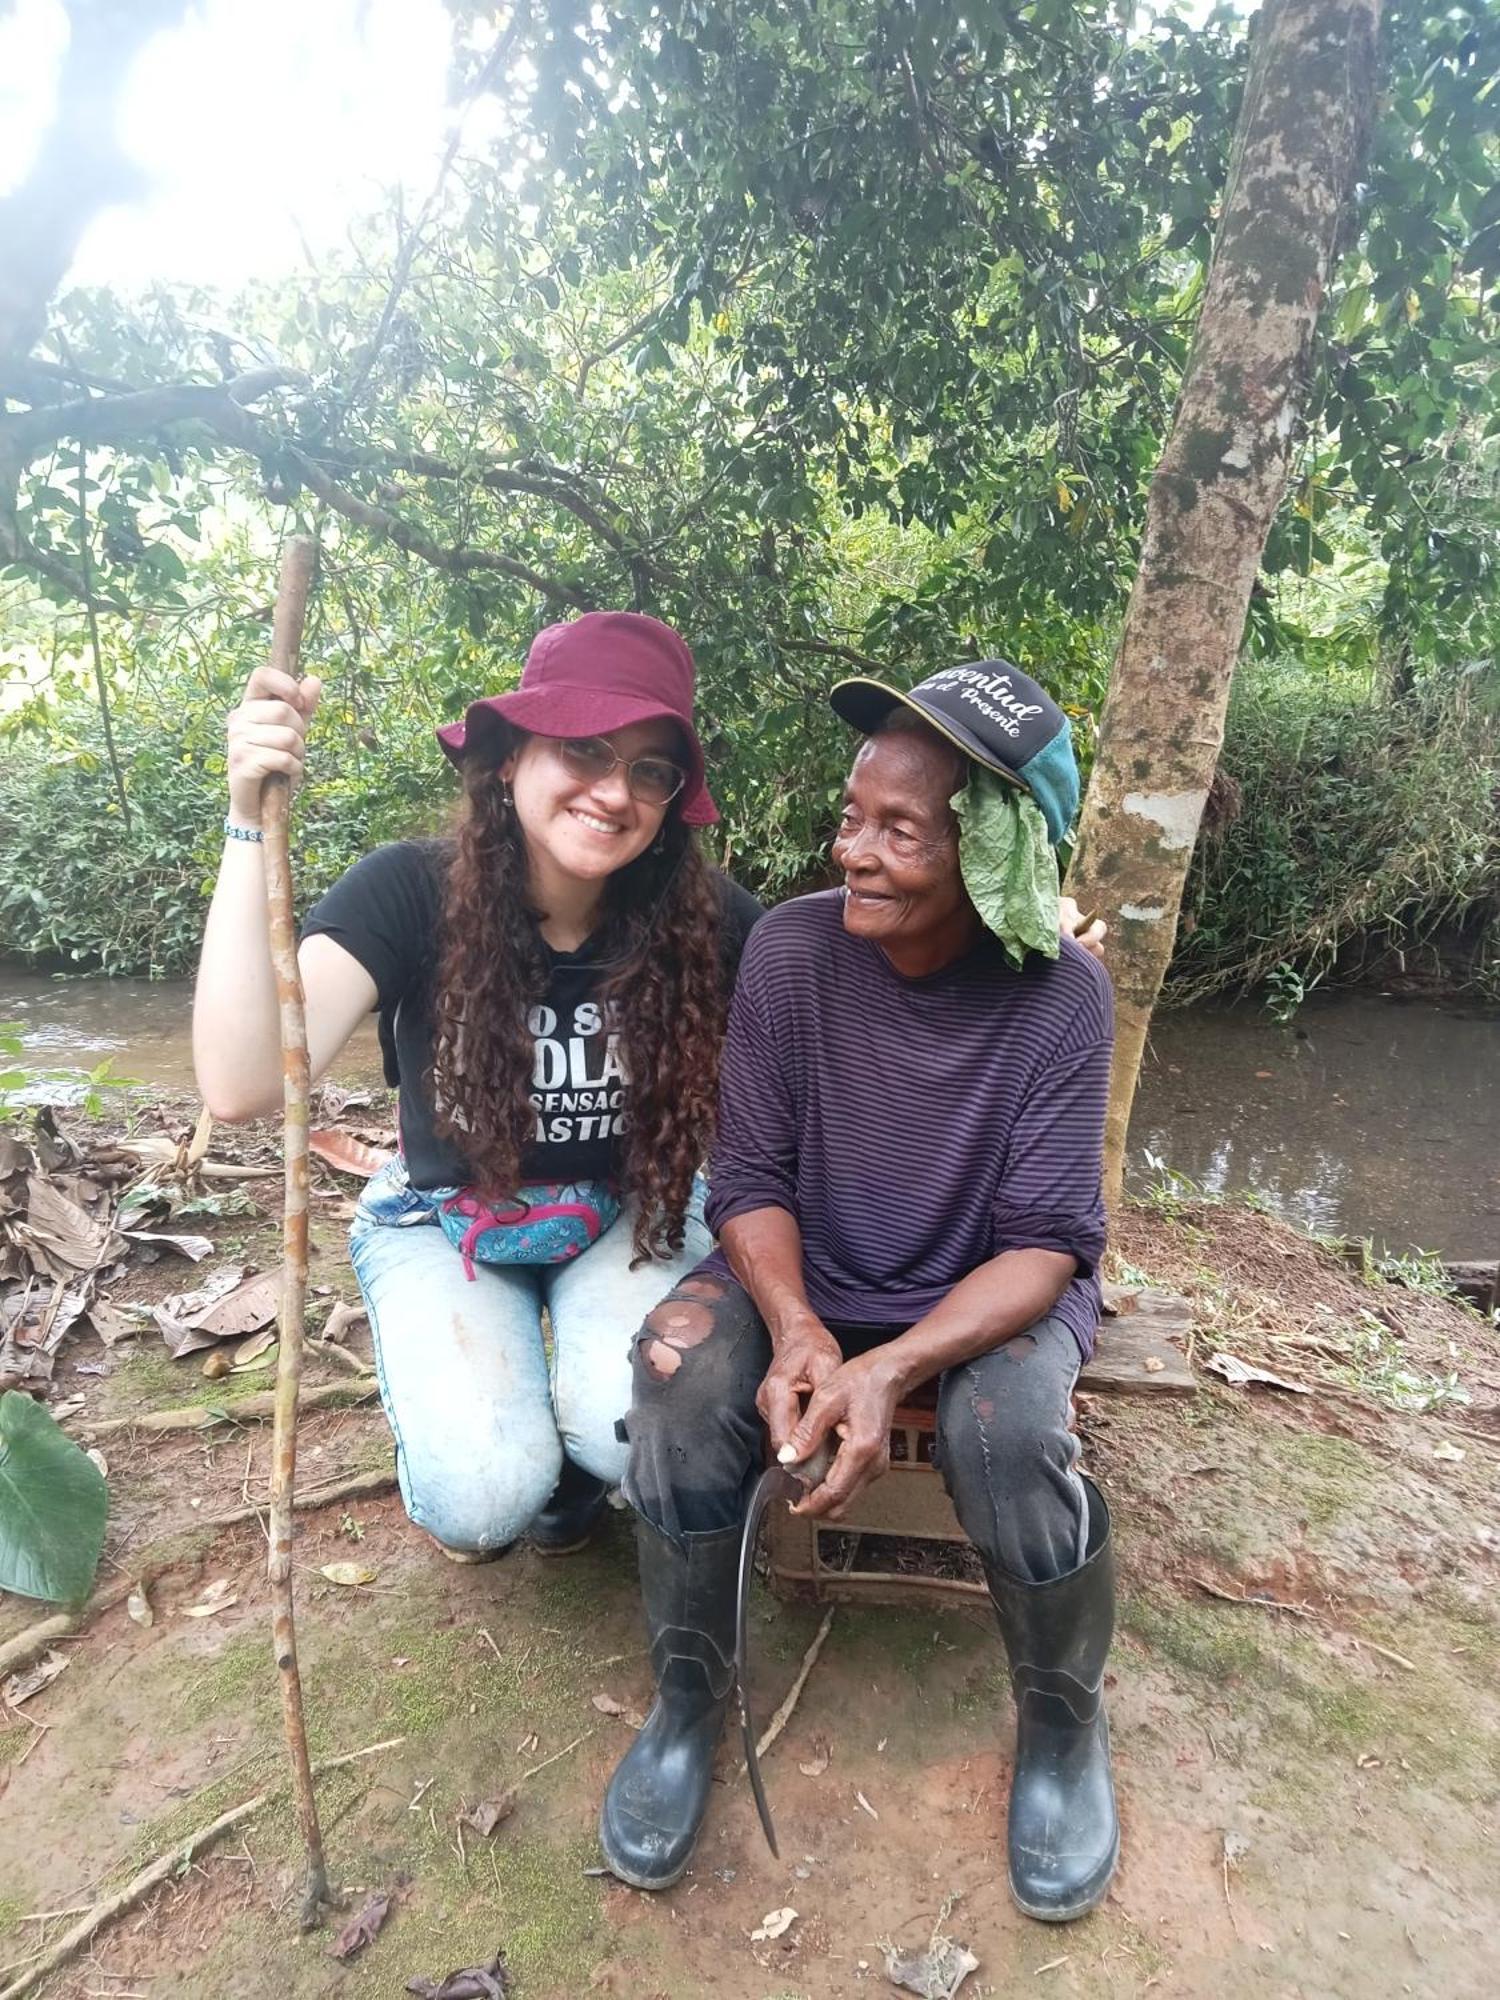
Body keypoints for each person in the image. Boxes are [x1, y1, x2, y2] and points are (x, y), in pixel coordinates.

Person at [601, 659, 1118, 1924]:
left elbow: (1045, 1244)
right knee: (672, 1371)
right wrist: (798, 1323)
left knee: (1007, 1430)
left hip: (987, 1291)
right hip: (814, 1270)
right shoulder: (790, 950)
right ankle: (686, 1699)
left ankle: (1060, 1724)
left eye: (901, 829)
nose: (856, 854)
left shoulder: (1063, 995)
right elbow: (755, 1176)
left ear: (991, 849)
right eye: (851, 817)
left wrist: (890, 1366)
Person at [193, 611, 761, 1560]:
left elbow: (854, 985)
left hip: (629, 1212)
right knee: (483, 1499)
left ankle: (580, 1460)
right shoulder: (409, 892)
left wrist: (1006, 942)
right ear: (507, 757)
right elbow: (243, 1083)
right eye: (583, 749)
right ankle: (505, 1447)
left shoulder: (705, 922)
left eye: (648, 770)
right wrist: (247, 819)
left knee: (638, 1442)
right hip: (446, 1219)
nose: (614, 792)